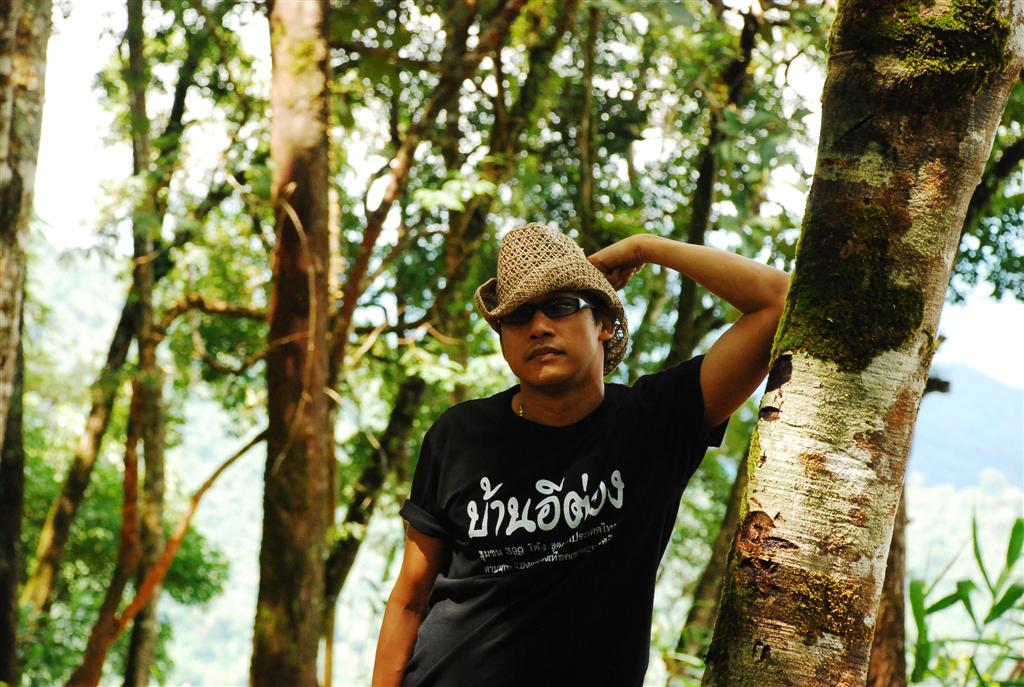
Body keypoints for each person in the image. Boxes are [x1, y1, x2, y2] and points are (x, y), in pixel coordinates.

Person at [371, 223, 789, 686]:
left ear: (605, 324)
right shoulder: (459, 435)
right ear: (504, 341)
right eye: (518, 315)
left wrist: (644, 247)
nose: (538, 327)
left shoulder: (655, 422)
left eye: (561, 305)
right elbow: (409, 600)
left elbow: (777, 301)